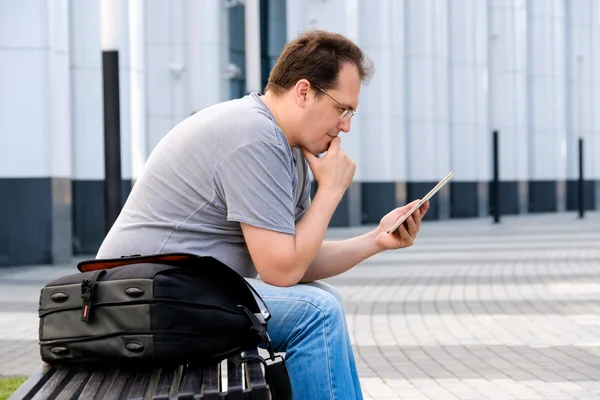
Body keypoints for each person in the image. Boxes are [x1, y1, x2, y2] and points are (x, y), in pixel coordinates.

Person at [97, 29, 429, 399]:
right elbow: (282, 271)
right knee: (315, 313)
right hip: (137, 299)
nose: (346, 125)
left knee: (324, 301)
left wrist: (376, 240)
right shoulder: (252, 135)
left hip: (171, 293)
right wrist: (331, 190)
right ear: (304, 91)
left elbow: (296, 259)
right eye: (342, 109)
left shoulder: (286, 148)